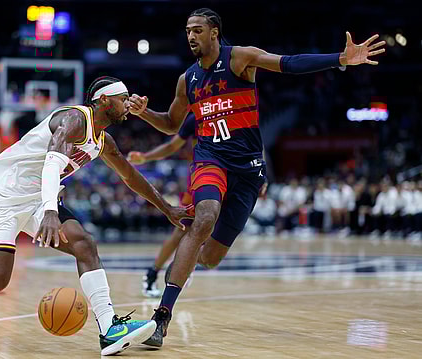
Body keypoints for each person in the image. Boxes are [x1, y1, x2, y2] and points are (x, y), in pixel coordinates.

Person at [128, 8, 386, 347]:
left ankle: (185, 260)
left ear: (214, 32)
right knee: (203, 218)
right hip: (210, 160)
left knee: (209, 258)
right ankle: (161, 319)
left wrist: (340, 58)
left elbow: (289, 63)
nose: (190, 36)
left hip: (249, 171)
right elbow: (172, 124)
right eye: (187, 30)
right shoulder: (187, 79)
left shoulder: (240, 59)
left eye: (197, 30)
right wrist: (144, 112)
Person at [0, 76, 191, 356]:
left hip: (38, 198)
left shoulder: (103, 141)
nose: (128, 104)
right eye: (123, 99)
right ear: (104, 101)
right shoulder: (75, 119)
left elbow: (130, 176)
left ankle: (109, 329)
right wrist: (50, 211)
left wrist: (166, 208)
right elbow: (52, 164)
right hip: (1, 195)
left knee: (84, 243)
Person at [127, 113, 196, 297]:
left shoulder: (235, 110)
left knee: (203, 229)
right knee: (182, 228)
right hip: (202, 177)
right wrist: (145, 157)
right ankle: (157, 272)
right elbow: (173, 145)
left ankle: (180, 265)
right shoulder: (197, 115)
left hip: (229, 175)